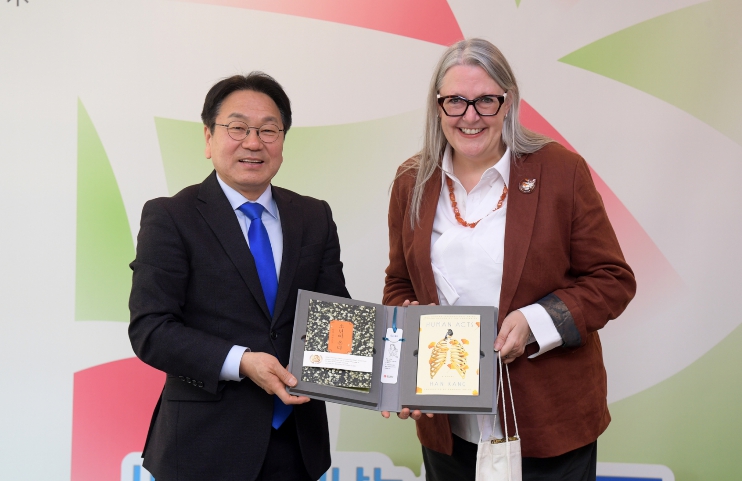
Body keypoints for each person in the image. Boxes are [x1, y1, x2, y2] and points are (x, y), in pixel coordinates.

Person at [383, 39, 636, 481]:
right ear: (438, 107)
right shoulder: (412, 181)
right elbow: (399, 283)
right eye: (455, 101)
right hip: (449, 426)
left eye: (486, 100)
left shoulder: (560, 171)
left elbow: (612, 279)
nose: (470, 116)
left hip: (550, 423)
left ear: (508, 103)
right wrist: (406, 360)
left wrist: (536, 322)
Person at [128, 72, 349, 481]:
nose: (253, 142)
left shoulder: (313, 216)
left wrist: (395, 363)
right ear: (208, 138)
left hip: (298, 446)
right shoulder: (171, 217)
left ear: (282, 140)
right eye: (237, 128)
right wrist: (242, 362)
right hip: (202, 449)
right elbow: (151, 329)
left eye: (268, 130)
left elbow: (336, 316)